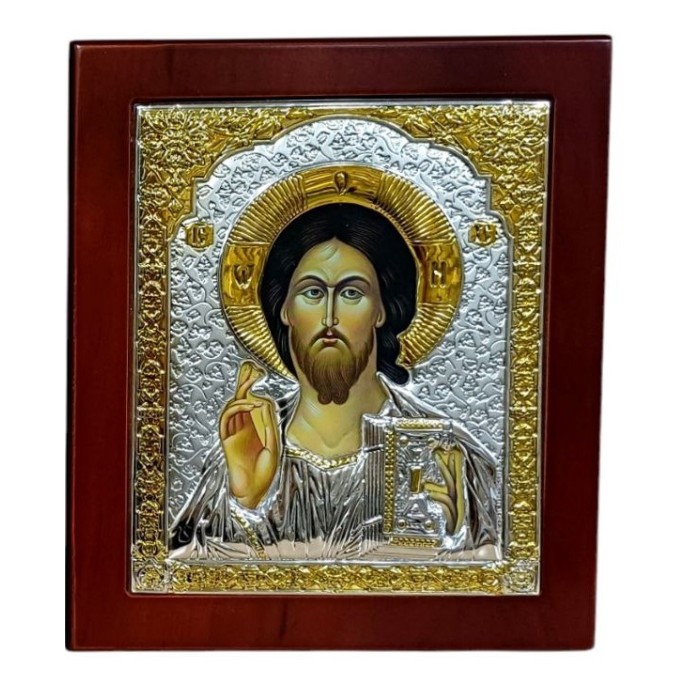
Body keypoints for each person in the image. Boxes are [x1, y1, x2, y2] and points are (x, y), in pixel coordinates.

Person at [170, 204, 499, 561]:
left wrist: (453, 539)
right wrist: (246, 506)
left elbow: (496, 574)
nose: (329, 316)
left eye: (351, 293)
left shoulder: (448, 453)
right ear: (284, 309)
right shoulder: (243, 447)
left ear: (381, 310)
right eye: (312, 292)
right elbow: (176, 573)